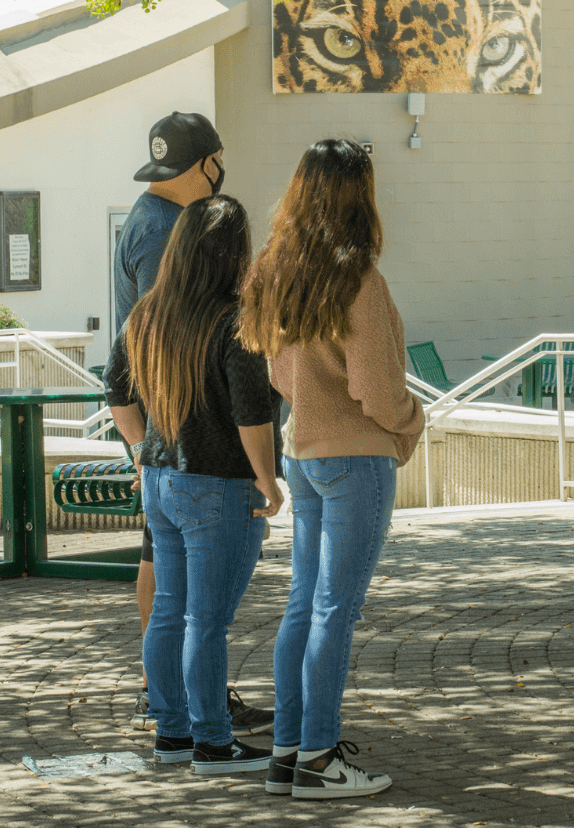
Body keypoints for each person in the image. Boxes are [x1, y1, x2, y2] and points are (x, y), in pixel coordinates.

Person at [239, 138, 424, 800]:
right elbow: (376, 387)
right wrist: (411, 421)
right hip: (355, 459)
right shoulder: (359, 280)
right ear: (358, 195)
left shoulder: (277, 276)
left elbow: (279, 374)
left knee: (305, 605)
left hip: (305, 454)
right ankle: (319, 760)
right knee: (334, 611)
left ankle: (288, 754)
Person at [105, 195, 286, 772]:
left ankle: (173, 735)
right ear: (232, 253)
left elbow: (115, 392)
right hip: (218, 487)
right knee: (206, 622)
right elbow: (251, 414)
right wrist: (270, 482)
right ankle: (213, 741)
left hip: (160, 481)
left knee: (168, 614)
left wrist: (140, 454)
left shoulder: (147, 315)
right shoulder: (235, 321)